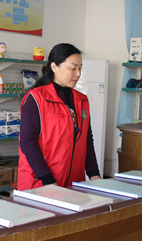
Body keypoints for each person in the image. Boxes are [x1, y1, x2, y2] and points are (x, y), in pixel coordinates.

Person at [18, 43, 101, 190]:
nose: (78, 74)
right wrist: (48, 180)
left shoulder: (82, 100)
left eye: (80, 68)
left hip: (74, 182)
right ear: (54, 67)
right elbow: (28, 142)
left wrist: (94, 174)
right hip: (41, 182)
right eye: (73, 68)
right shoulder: (36, 98)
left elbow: (86, 139)